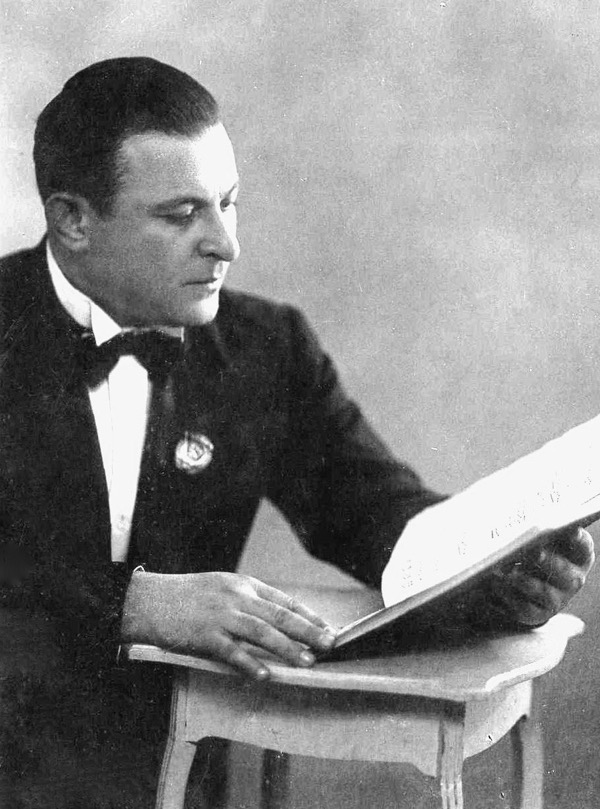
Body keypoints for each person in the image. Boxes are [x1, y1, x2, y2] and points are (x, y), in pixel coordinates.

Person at [0, 57, 593, 807]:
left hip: (175, 778)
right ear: (73, 220)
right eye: (181, 216)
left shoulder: (267, 350)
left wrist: (495, 576)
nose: (225, 244)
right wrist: (131, 602)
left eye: (229, 204)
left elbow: (379, 517)